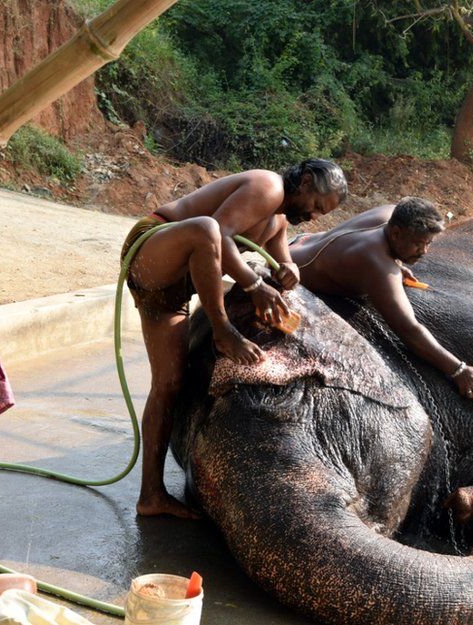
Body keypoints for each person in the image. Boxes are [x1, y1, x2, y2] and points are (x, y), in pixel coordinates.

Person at [123, 158, 347, 518]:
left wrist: (288, 272)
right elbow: (217, 234)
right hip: (153, 247)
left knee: (169, 383)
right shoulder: (268, 186)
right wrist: (254, 286)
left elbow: (283, 261)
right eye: (317, 206)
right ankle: (222, 332)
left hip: (173, 289)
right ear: (305, 182)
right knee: (205, 230)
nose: (316, 215)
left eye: (324, 213)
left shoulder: (279, 220)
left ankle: (151, 495)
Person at [290, 197, 473, 401]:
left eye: (428, 243)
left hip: (302, 242)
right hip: (289, 267)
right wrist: (458, 370)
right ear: (396, 234)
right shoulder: (377, 263)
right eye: (417, 244)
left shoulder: (391, 213)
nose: (423, 252)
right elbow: (409, 329)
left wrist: (397, 263)